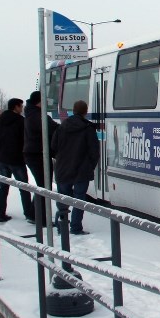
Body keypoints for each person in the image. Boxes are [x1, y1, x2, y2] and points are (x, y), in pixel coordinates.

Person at [51, 100, 99, 235]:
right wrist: (90, 166)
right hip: (81, 170)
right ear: (85, 112)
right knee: (79, 199)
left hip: (63, 168)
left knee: (63, 198)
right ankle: (76, 227)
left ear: (73, 110)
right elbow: (94, 151)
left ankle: (61, 225)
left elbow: (53, 147)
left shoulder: (61, 127)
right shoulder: (88, 128)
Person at [0, 98, 34, 222]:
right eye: (20, 106)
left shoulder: (0, 120)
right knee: (24, 187)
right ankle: (29, 213)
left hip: (2, 159)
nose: (22, 108)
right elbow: (24, 139)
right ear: (16, 107)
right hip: (16, 159)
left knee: (3, 187)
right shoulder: (20, 121)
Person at [23, 90, 58, 201]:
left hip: (35, 154)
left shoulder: (31, 113)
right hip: (38, 155)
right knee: (44, 188)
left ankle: (38, 215)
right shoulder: (38, 115)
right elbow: (53, 128)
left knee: (42, 186)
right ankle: (40, 216)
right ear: (39, 102)